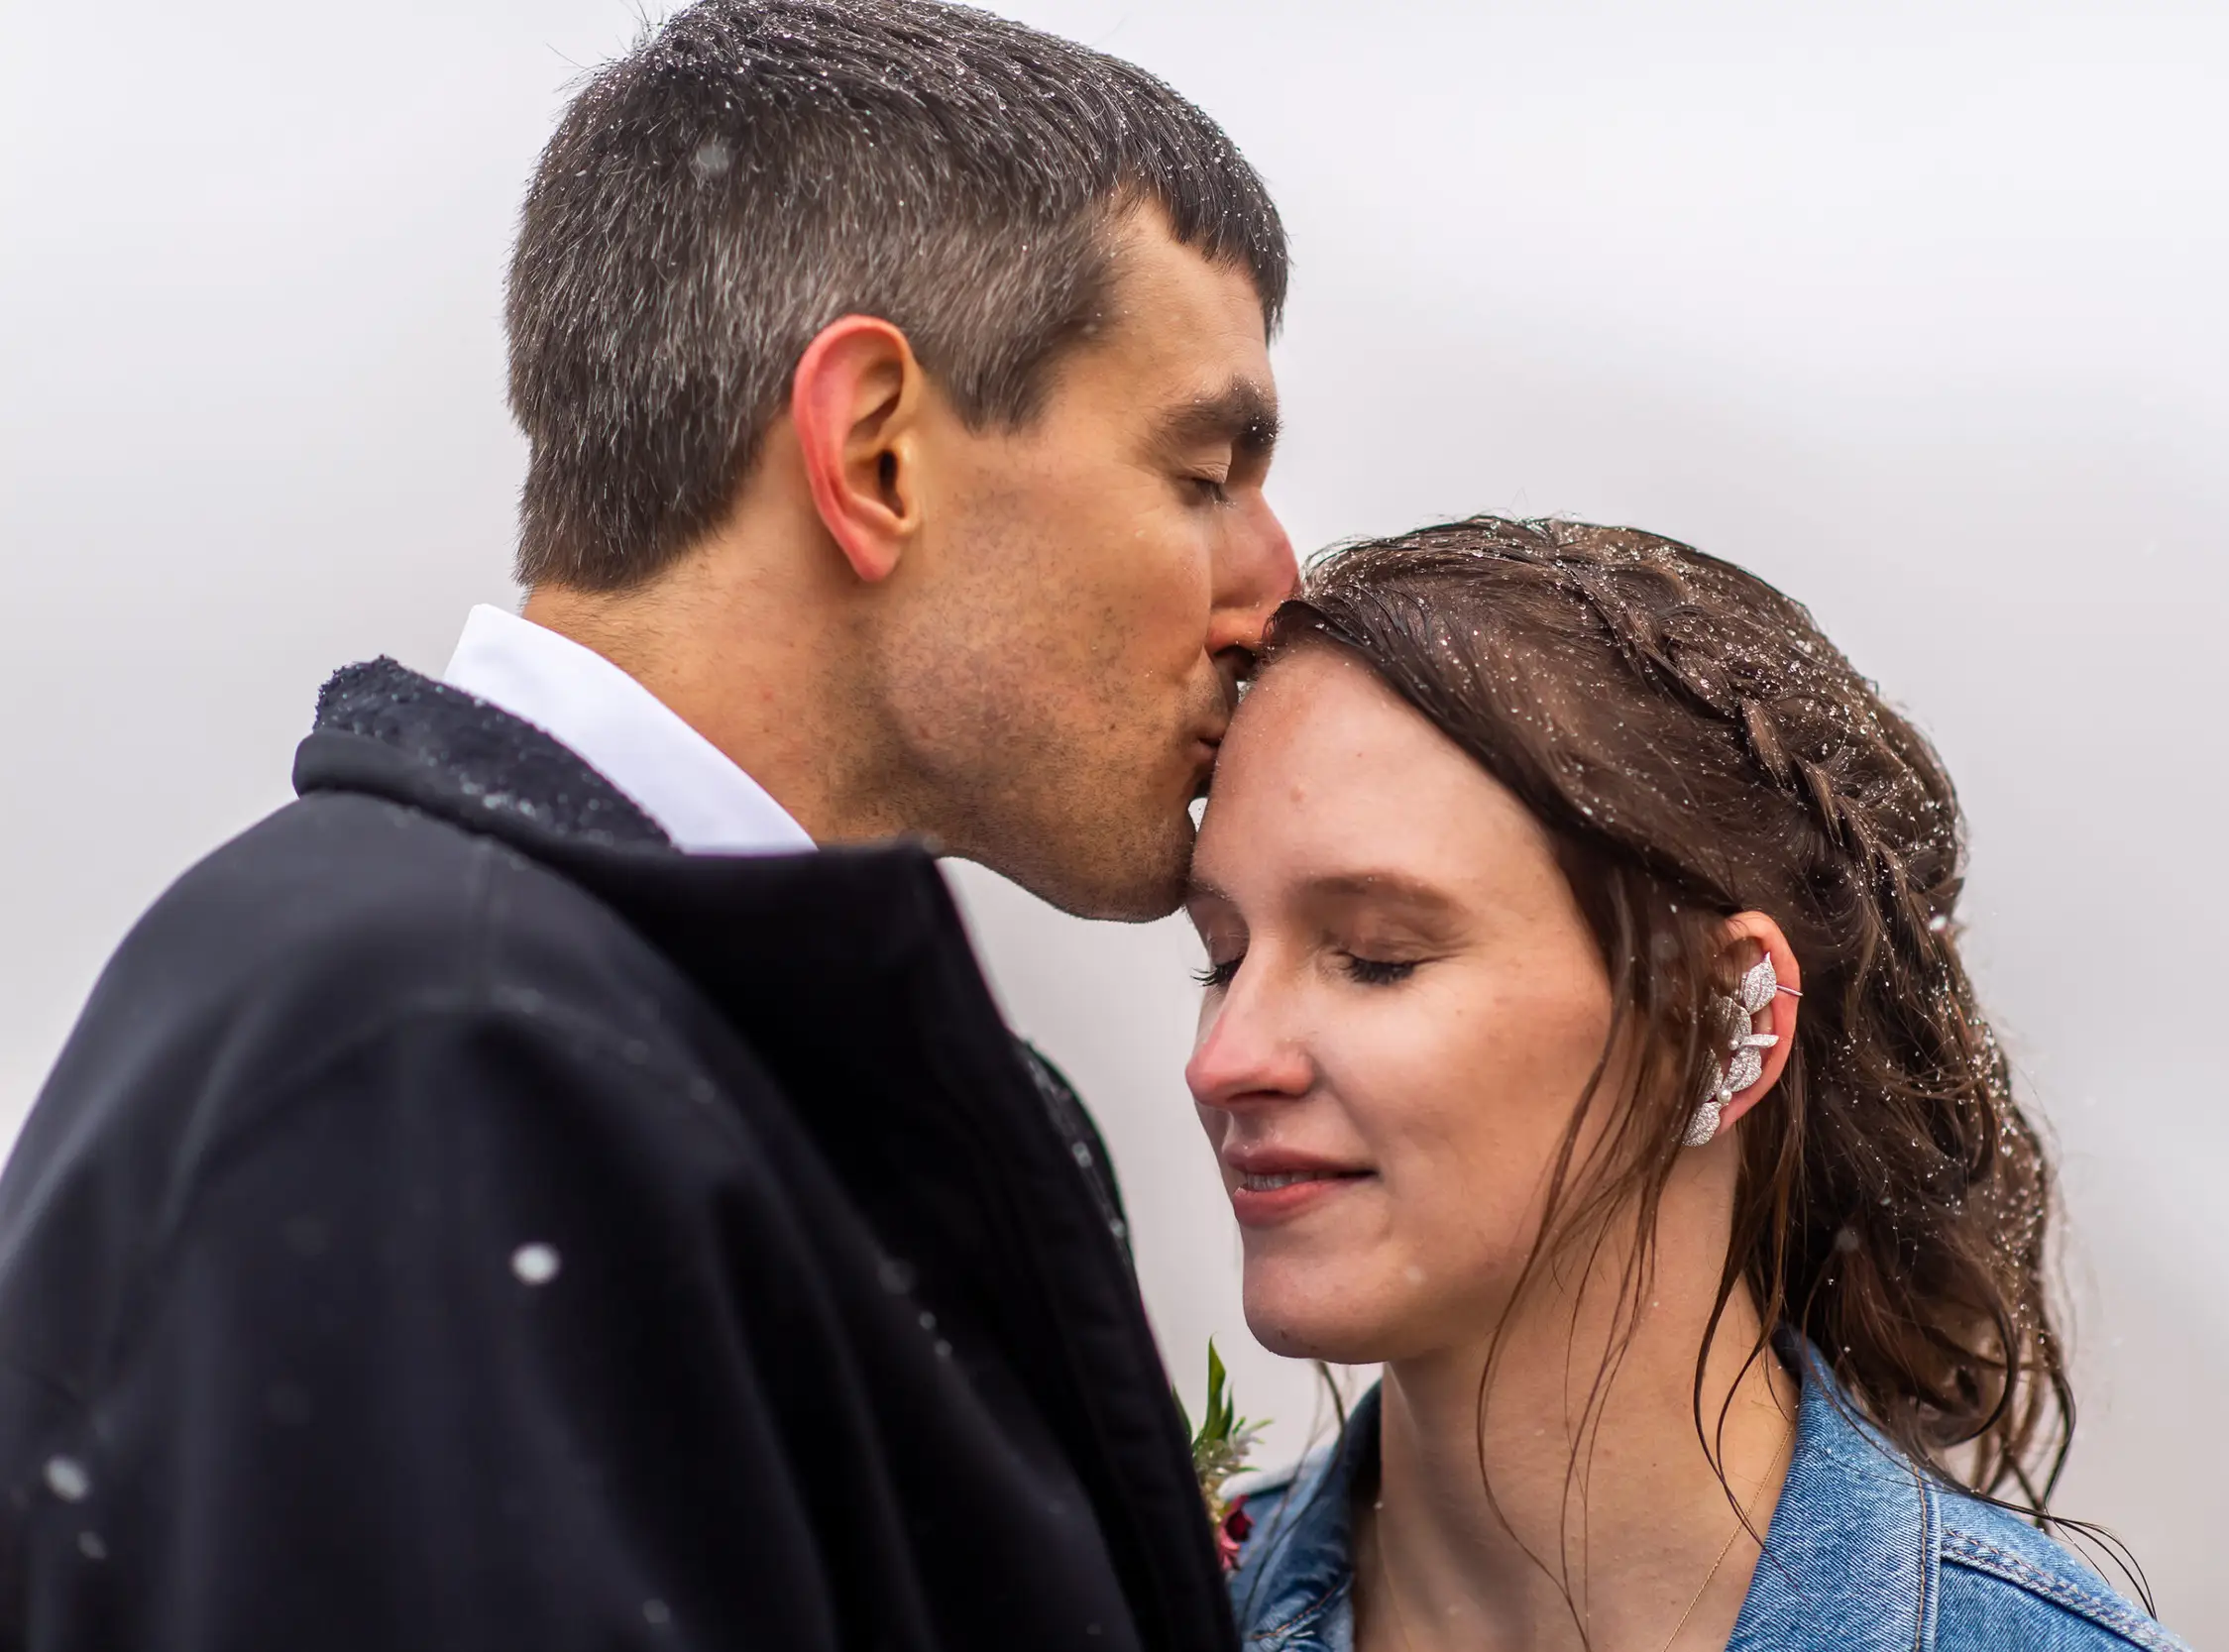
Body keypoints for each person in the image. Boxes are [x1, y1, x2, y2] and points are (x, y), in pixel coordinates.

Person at [0, 3, 1291, 1647]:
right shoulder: (442, 1059)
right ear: (877, 451)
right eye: (1204, 472)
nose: (1275, 588)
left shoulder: (579, 1028)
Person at [1188, 518, 2190, 1651]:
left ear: (1726, 1016)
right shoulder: (1105, 1603)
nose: (1222, 1058)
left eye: (1377, 953)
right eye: (1221, 958)